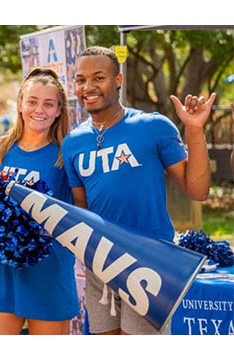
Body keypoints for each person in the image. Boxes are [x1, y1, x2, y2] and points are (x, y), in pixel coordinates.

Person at [61, 46, 213, 335]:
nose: (88, 87)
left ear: (118, 80)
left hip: (149, 260)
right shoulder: (72, 142)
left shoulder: (153, 126)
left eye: (98, 77)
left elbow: (198, 190)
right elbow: (81, 210)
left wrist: (194, 130)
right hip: (100, 264)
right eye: (80, 80)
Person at [0, 68, 79, 335]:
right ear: (20, 103)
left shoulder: (65, 157)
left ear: (59, 110)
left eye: (48, 104)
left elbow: (78, 214)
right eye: (32, 101)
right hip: (0, 271)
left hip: (47, 269)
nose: (39, 110)